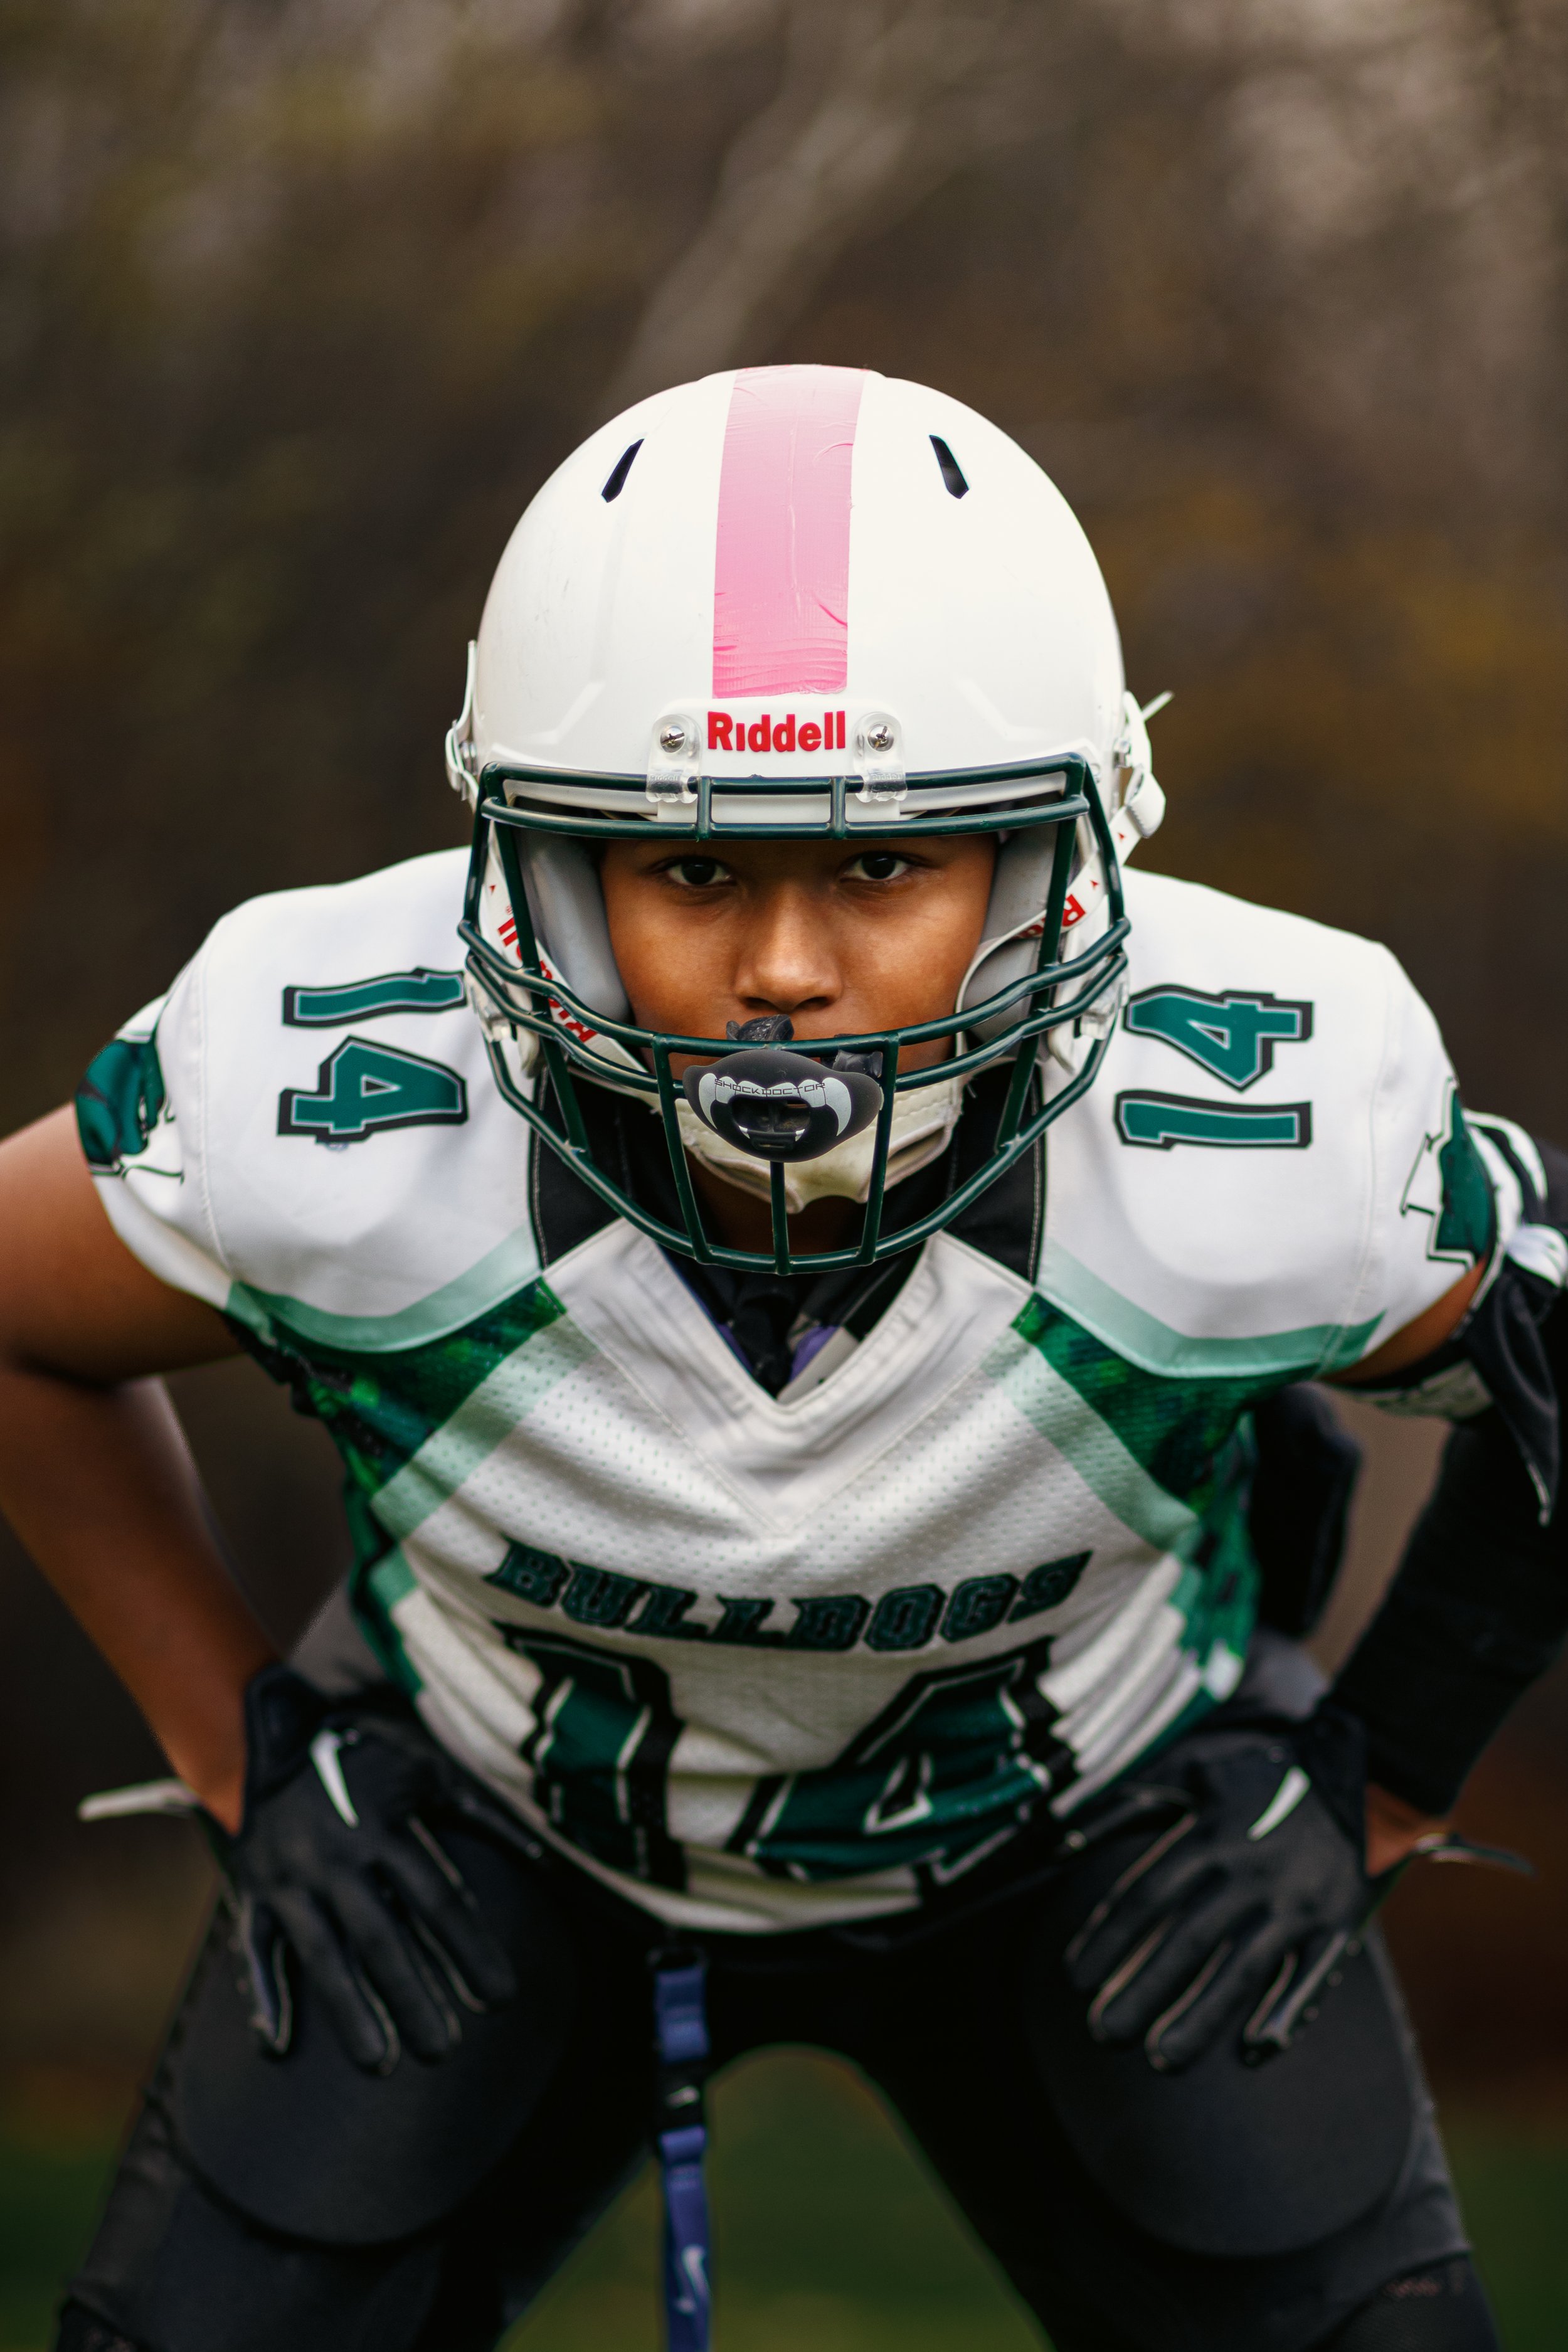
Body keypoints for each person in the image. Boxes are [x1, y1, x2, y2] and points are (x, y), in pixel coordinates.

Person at [1, 364, 1562, 2352]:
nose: (786, 972)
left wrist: (1380, 1779)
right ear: (545, 869)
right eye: (695, 871)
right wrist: (237, 1740)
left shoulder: (1258, 1121)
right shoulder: (336, 1093)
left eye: (885, 868)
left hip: (1082, 1840)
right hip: (495, 1829)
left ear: (1058, 864)